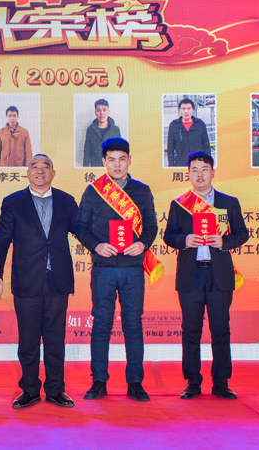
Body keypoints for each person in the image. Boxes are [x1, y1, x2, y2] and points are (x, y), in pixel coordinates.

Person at [0, 154, 79, 409]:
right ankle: (29, 389)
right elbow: (1, 241)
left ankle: (56, 389)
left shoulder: (66, 201)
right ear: (28, 173)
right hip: (26, 279)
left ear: (53, 173)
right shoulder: (13, 202)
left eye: (45, 167)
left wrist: (103, 243)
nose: (40, 171)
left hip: (57, 280)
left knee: (55, 339)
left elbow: (83, 230)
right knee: (28, 340)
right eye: (34, 167)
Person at [75, 138, 157, 402]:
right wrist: (96, 245)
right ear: (104, 162)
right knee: (101, 324)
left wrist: (142, 244)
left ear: (129, 160)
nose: (117, 164)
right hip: (104, 269)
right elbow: (80, 227)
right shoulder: (93, 192)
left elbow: (152, 227)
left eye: (122, 158)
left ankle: (135, 383)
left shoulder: (142, 191)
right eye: (111, 159)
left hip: (133, 269)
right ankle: (99, 381)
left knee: (133, 324)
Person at [163, 151, 249, 400]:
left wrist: (223, 241)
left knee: (220, 329)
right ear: (188, 174)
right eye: (194, 170)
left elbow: (242, 234)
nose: (199, 175)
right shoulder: (179, 204)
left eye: (204, 170)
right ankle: (192, 382)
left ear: (213, 172)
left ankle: (221, 383)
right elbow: (169, 236)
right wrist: (184, 240)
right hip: (191, 275)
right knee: (191, 330)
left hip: (219, 275)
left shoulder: (228, 202)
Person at [166, 98, 211, 167]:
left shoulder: (200, 124)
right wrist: (171, 165)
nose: (186, 111)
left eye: (189, 108)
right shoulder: (174, 125)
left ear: (193, 110)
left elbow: (206, 145)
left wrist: (207, 163)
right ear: (180, 110)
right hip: (180, 164)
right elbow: (170, 148)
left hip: (198, 164)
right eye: (183, 109)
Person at [83, 99, 122, 167]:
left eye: (104, 110)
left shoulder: (115, 130)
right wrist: (85, 168)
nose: (102, 113)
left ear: (108, 112)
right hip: (95, 167)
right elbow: (87, 152)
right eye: (99, 110)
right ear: (95, 112)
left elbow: (119, 151)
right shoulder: (90, 130)